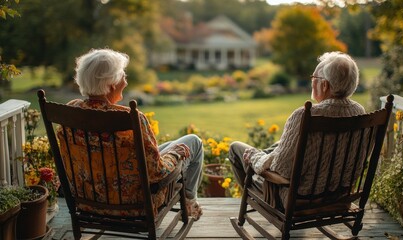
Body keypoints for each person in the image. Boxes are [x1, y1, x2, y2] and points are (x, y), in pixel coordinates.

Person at [59, 48, 203, 220]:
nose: (126, 83)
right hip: (134, 204)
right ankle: (190, 201)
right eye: (123, 77)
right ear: (112, 84)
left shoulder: (70, 112)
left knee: (171, 145)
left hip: (87, 201)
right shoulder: (132, 118)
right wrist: (175, 153)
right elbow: (157, 173)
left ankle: (189, 200)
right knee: (193, 142)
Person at [229, 51, 366, 204]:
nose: (312, 82)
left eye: (314, 78)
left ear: (325, 85)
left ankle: (253, 200)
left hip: (297, 198)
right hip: (338, 196)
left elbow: (281, 169)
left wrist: (255, 157)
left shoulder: (304, 116)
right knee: (279, 146)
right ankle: (266, 155)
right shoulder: (360, 113)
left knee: (236, 148)